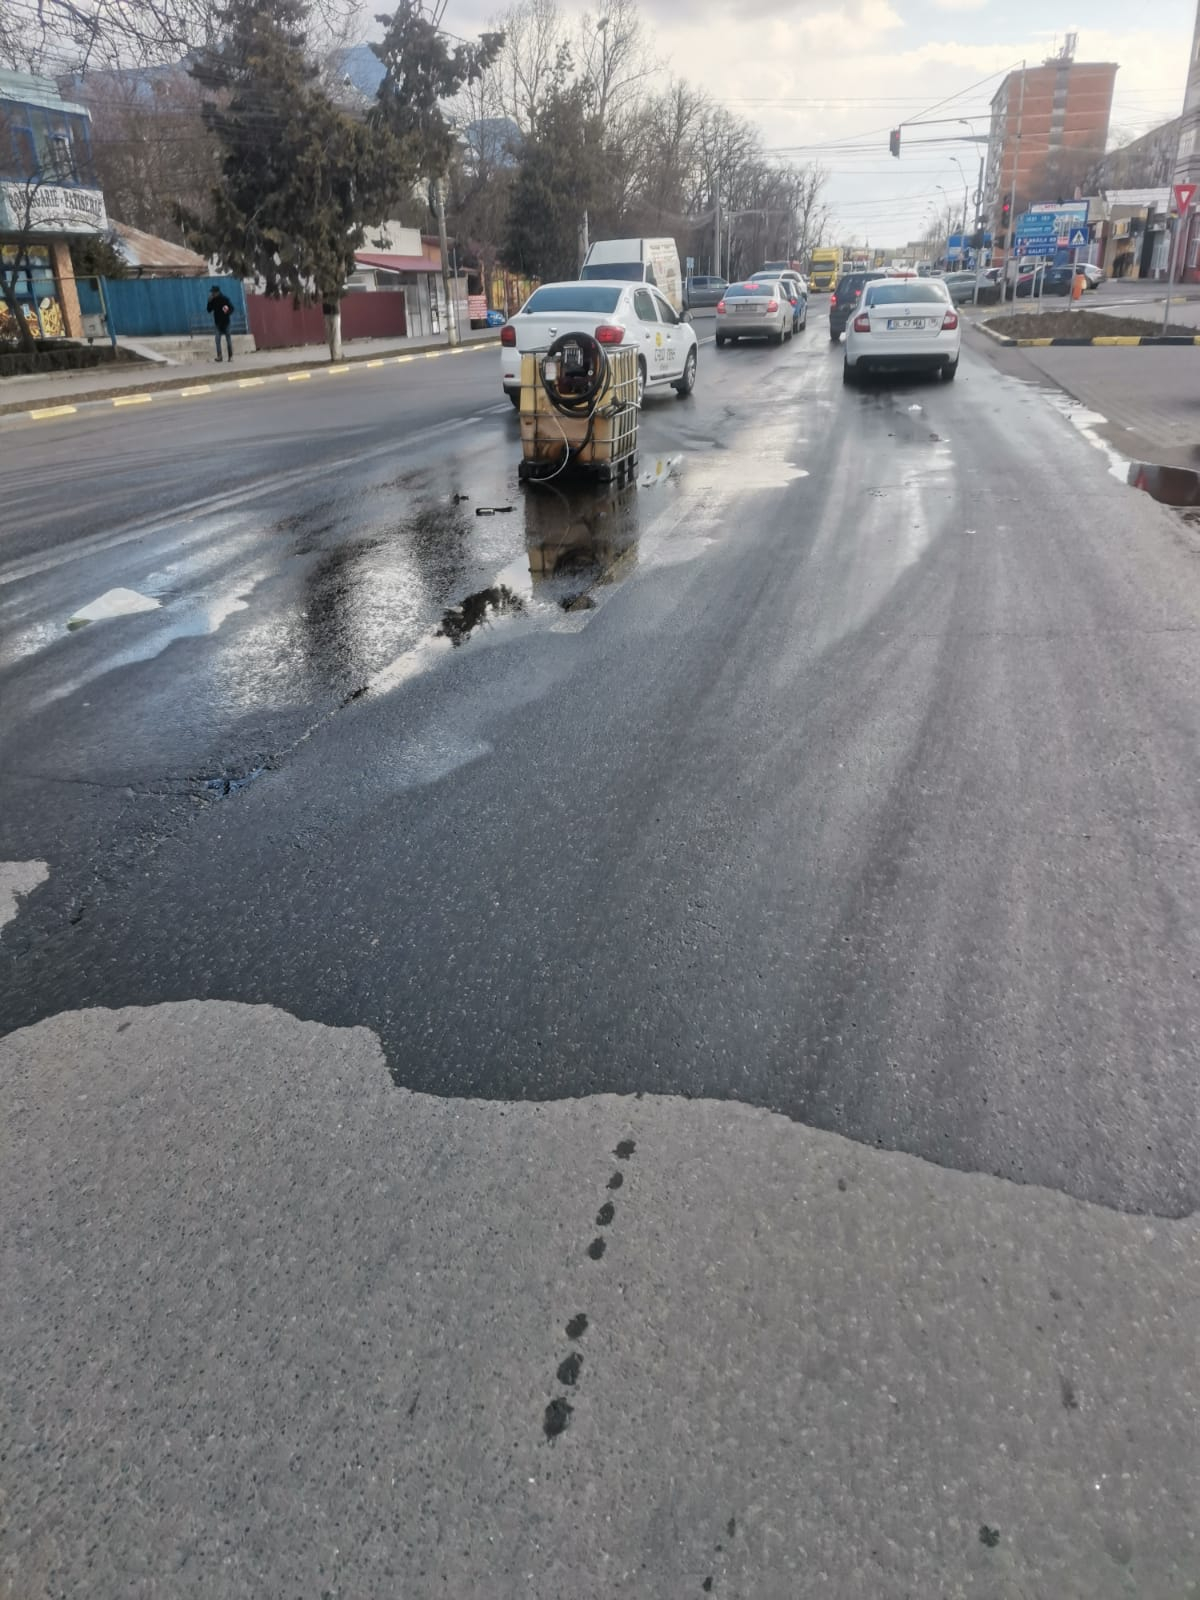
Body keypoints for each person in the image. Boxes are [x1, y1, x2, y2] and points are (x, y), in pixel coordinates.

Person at [207, 284, 234, 362]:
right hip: (217, 323)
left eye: (213, 292)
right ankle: (219, 356)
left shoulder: (225, 299)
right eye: (212, 292)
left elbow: (232, 308)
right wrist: (209, 302)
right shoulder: (213, 300)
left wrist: (227, 312)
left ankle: (230, 356)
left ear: (217, 292)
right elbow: (209, 310)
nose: (212, 294)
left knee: (228, 340)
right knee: (217, 340)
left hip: (226, 322)